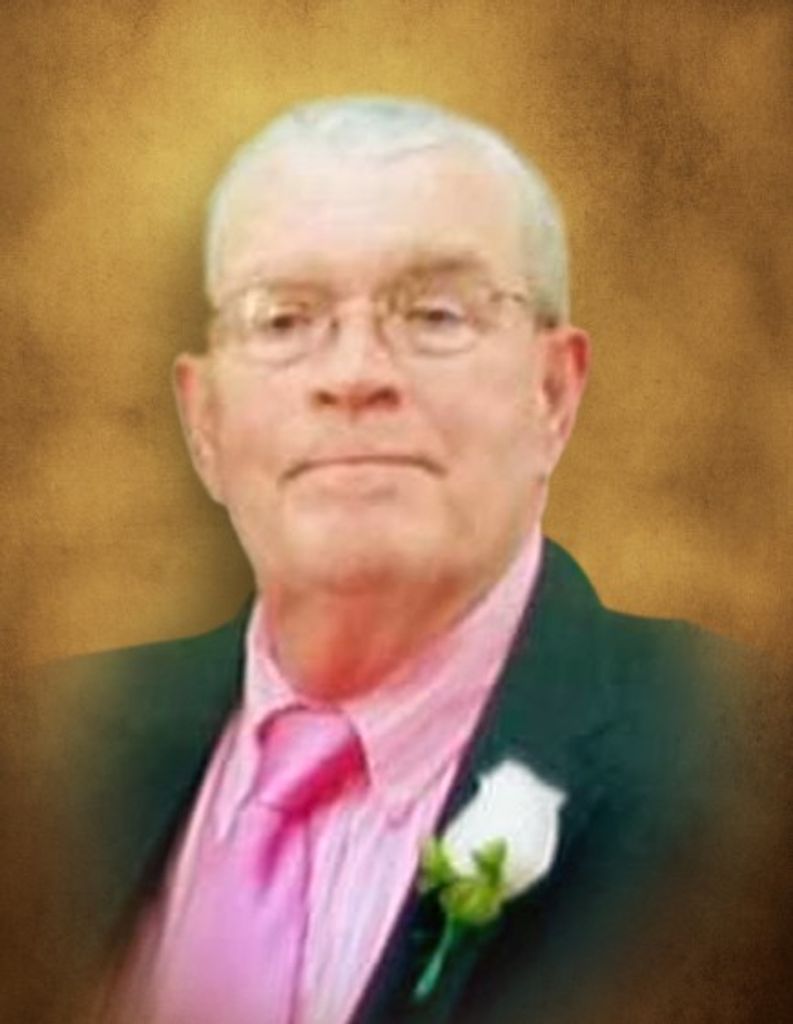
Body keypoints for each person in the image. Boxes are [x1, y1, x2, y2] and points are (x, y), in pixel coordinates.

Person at [38, 97, 783, 1024]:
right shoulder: (44, 753)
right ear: (205, 420)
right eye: (283, 319)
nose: (354, 375)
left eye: (435, 313)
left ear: (552, 393)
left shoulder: (747, 768)